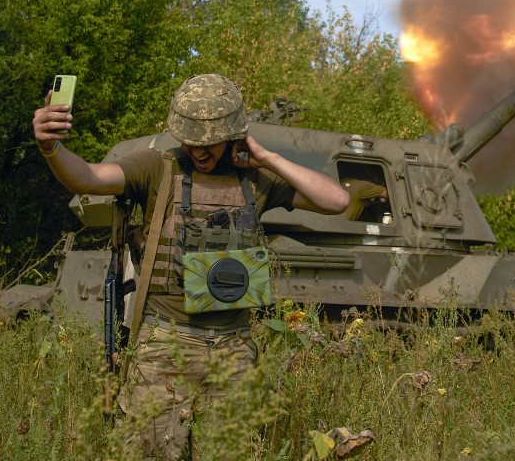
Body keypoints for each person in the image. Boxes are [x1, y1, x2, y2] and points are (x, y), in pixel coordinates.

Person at [33, 73, 349, 460]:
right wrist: (51, 148)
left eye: (209, 140)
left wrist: (267, 158)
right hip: (165, 345)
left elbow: (336, 201)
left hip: (234, 350)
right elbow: (89, 177)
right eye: (191, 138)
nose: (198, 149)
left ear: (233, 133)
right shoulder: (156, 168)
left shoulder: (257, 180)